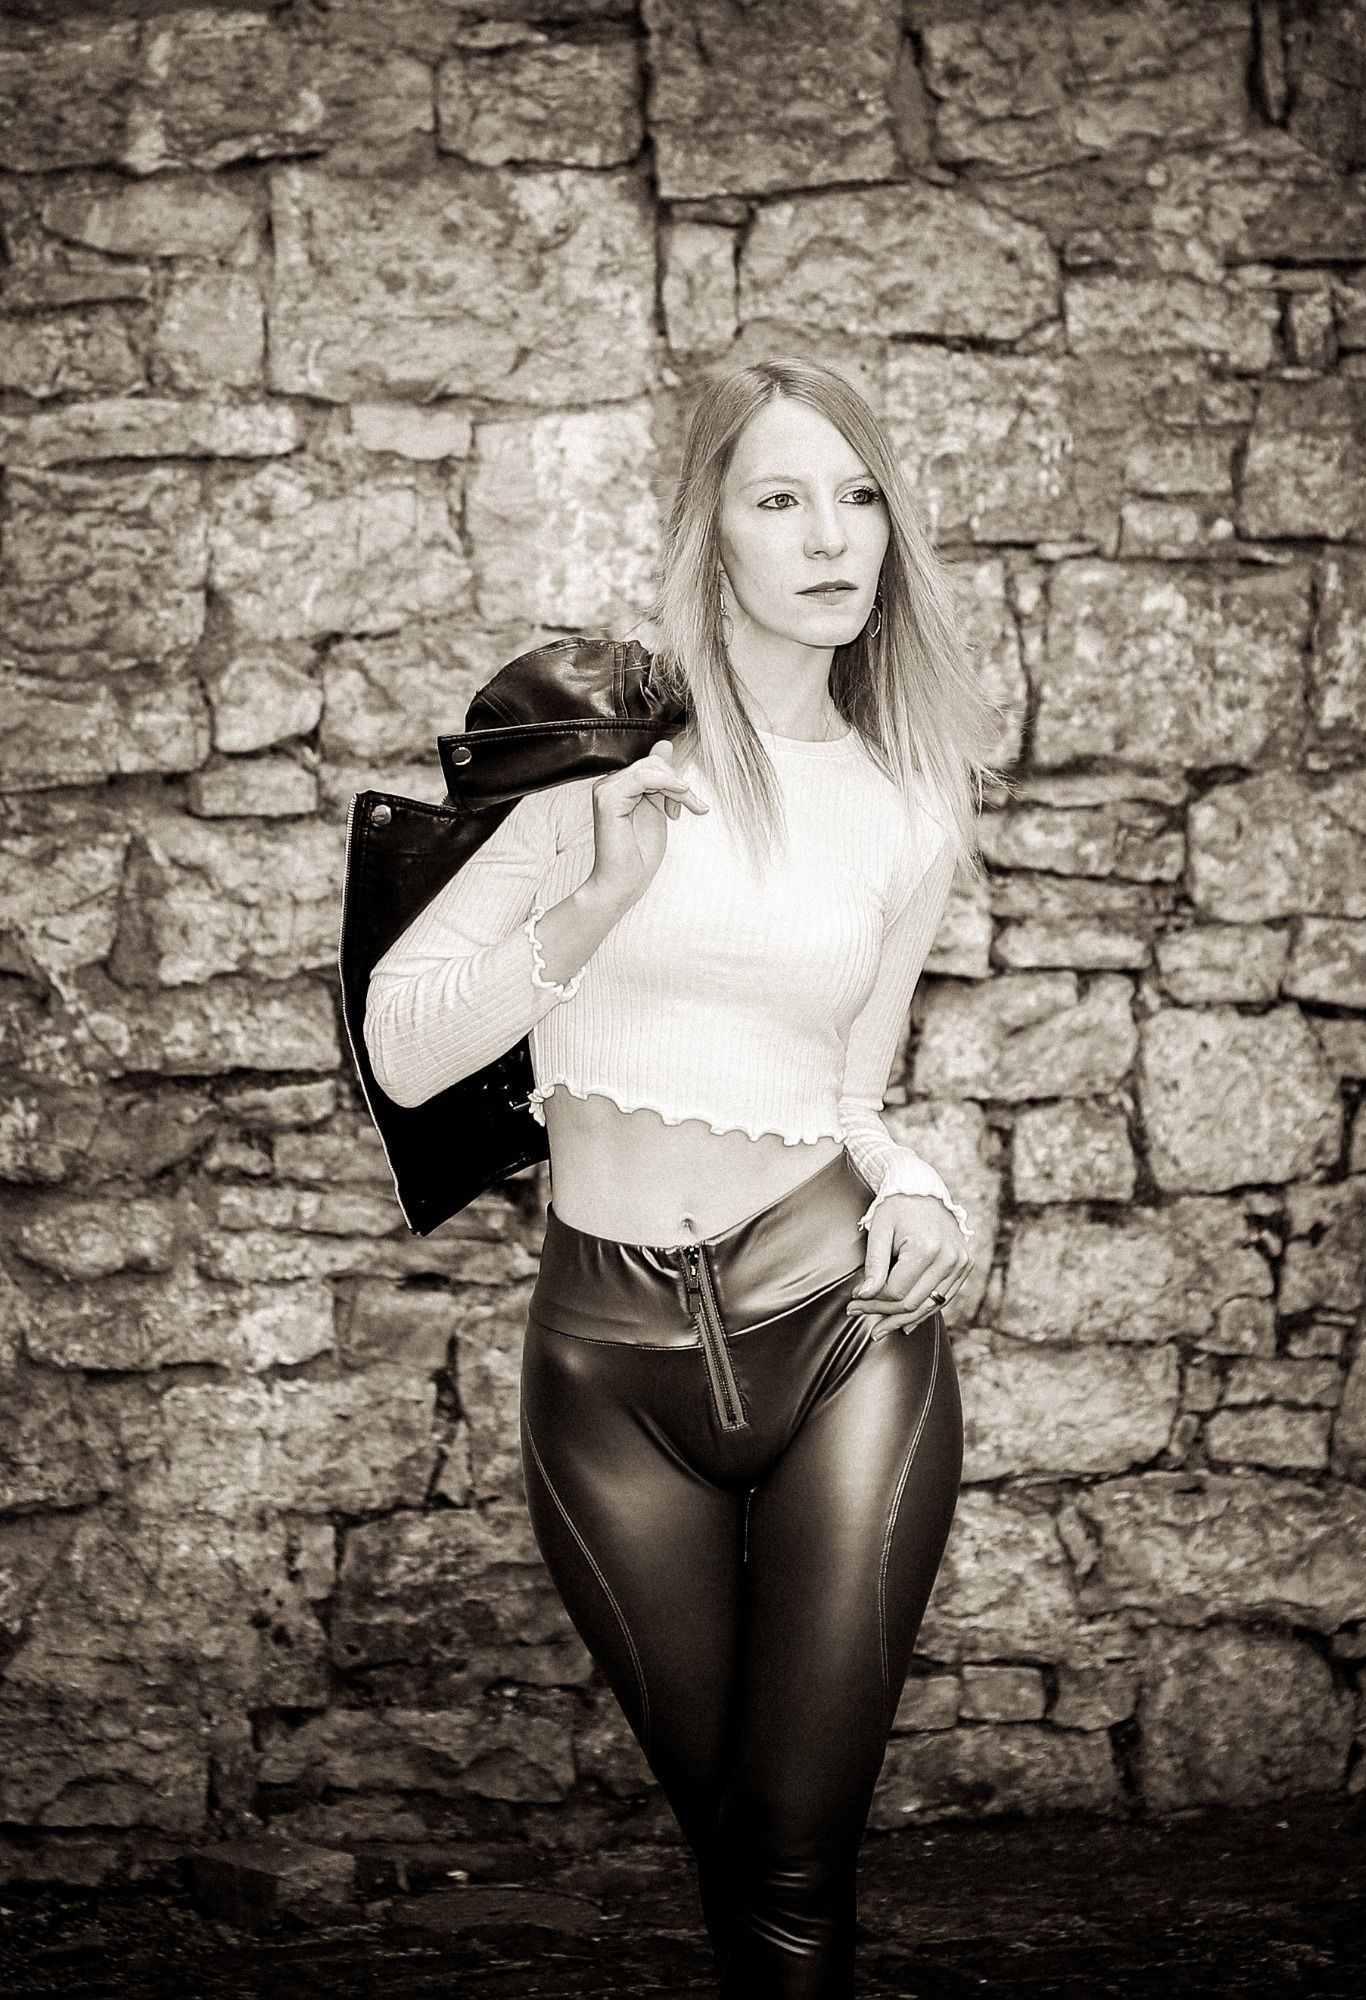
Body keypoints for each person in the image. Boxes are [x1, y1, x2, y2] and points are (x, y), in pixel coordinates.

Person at [364, 356, 1007, 1998]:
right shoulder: (594, 766)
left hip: (838, 1324)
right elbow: (408, 1052)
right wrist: (597, 890)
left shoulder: (905, 806)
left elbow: (851, 1089)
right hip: (603, 1366)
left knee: (792, 1844)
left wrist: (916, 1183)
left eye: (858, 498)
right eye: (780, 498)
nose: (830, 537)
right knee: (728, 1833)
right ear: (707, 529)